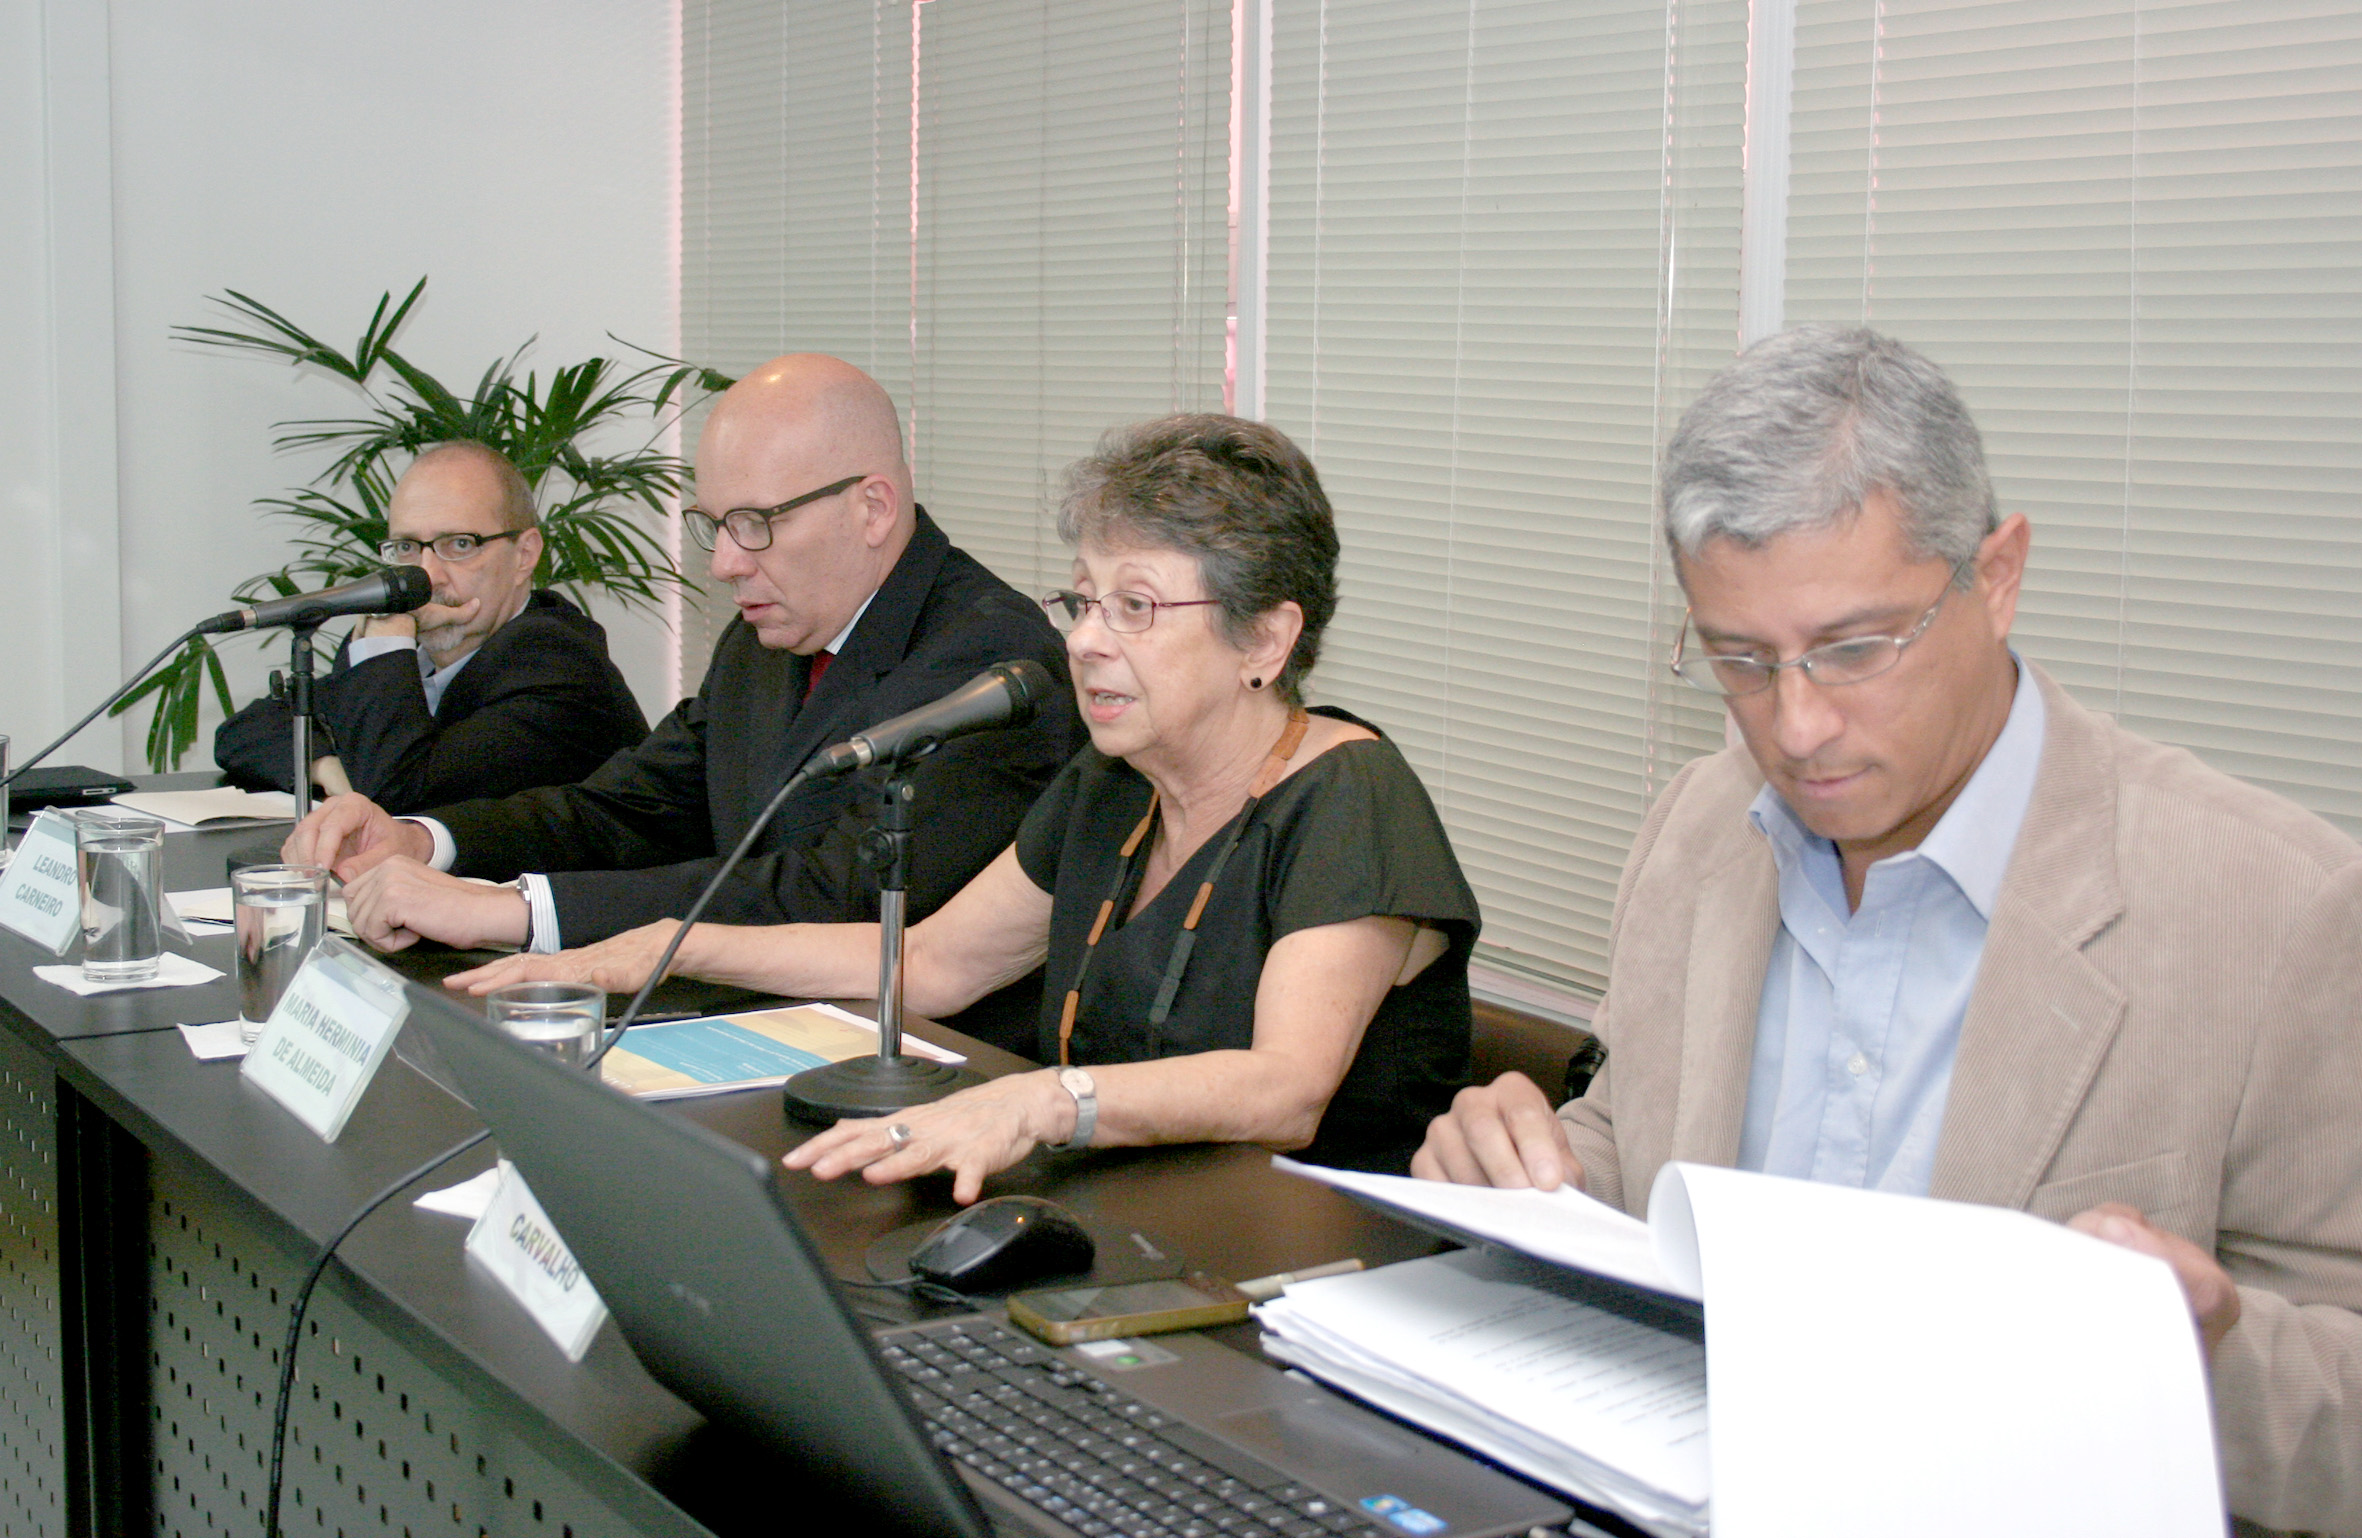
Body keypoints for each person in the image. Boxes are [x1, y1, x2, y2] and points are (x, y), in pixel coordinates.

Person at [1411, 326, 2362, 1536]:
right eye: (1740, 659)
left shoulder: (2274, 907)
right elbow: (1643, 1144)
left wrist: (2205, 1347)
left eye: (1854, 649)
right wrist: (1534, 1166)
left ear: (1997, 573)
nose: (1796, 725)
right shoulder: (1699, 829)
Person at [450, 413, 1480, 1192]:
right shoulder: (1114, 783)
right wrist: (670, 941)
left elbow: (1281, 1090)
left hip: (1322, 1280)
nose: (1082, 639)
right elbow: (935, 963)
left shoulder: (1349, 793)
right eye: (1081, 599)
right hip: (1139, 1229)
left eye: (1136, 607)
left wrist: (1044, 1099)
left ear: (1266, 639)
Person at [281, 355, 1082, 1041]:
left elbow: (836, 893)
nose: (727, 563)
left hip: (917, 1070)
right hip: (749, 1026)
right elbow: (630, 807)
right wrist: (427, 844)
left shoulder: (990, 660)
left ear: (871, 507)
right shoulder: (771, 633)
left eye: (755, 523)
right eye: (715, 526)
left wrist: (514, 911)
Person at [214, 441, 647, 811]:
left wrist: (384, 652)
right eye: (406, 547)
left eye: (459, 544)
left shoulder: (557, 666)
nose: (426, 577)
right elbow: (245, 730)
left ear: (524, 555)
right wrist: (329, 768)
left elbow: (398, 800)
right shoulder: (410, 653)